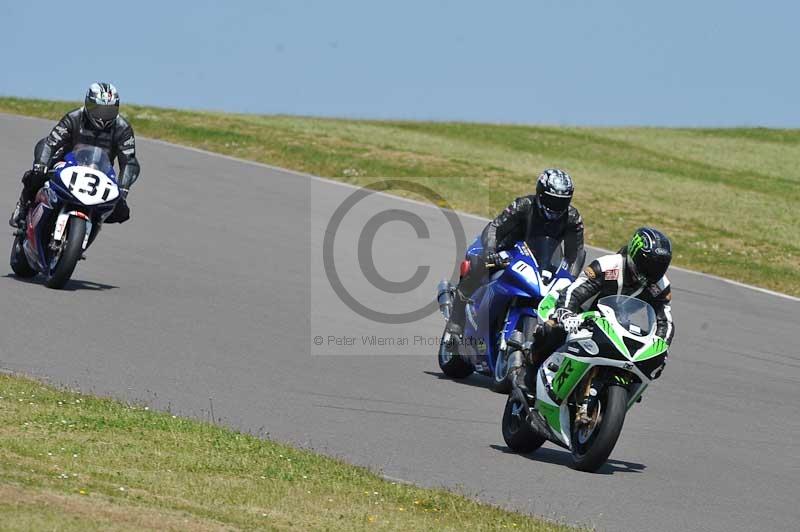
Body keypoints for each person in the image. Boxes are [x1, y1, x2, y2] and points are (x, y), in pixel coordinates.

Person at [519, 227, 675, 387]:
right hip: (580, 313)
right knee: (554, 328)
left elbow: (665, 321)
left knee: (647, 362)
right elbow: (575, 291)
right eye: (648, 264)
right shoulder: (609, 266)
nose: (653, 271)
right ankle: (529, 370)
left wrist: (661, 347)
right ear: (634, 254)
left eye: (659, 267)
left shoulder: (660, 286)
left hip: (615, 324)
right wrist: (566, 313)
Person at [445, 168, 585, 337]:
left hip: (543, 262)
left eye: (562, 202)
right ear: (541, 194)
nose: (556, 207)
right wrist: (490, 251)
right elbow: (495, 227)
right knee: (476, 265)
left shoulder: (572, 218)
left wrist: (571, 277)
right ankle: (456, 318)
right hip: (507, 251)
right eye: (552, 201)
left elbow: (575, 253)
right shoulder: (523, 206)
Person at [9, 82, 140, 228]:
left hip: (99, 173)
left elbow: (129, 161)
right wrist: (41, 164)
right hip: (66, 164)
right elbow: (51, 142)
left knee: (121, 210)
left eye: (108, 111)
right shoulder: (73, 117)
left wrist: (123, 188)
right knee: (35, 176)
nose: (102, 116)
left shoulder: (123, 128)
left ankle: (93, 224)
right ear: (87, 104)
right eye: (97, 109)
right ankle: (22, 206)